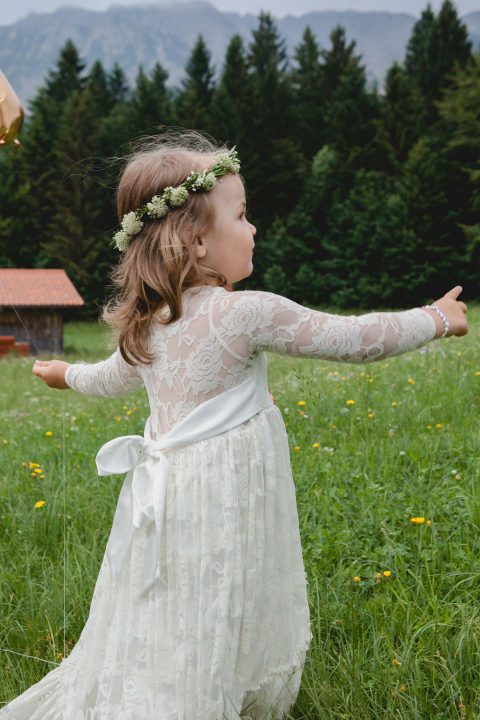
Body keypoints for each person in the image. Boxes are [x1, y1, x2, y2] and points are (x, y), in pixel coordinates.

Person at [2, 131, 468, 720]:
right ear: (196, 242)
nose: (254, 229)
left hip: (165, 500)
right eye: (243, 216)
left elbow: (105, 377)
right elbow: (352, 340)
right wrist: (435, 319)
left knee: (172, 597)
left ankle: (175, 686)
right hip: (224, 492)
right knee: (223, 591)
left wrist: (64, 373)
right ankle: (206, 693)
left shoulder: (148, 326)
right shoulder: (245, 313)